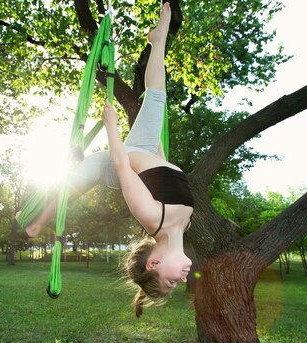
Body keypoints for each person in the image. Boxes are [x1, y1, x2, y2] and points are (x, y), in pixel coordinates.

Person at [21, 2, 193, 317]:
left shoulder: (155, 218)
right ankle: (159, 37)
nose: (181, 279)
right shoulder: (184, 223)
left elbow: (122, 167)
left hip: (115, 162)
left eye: (171, 281)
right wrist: (157, 145)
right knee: (157, 92)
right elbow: (162, 172)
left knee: (71, 182)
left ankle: (36, 221)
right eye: (178, 284)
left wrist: (112, 127)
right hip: (143, 148)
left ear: (154, 263)